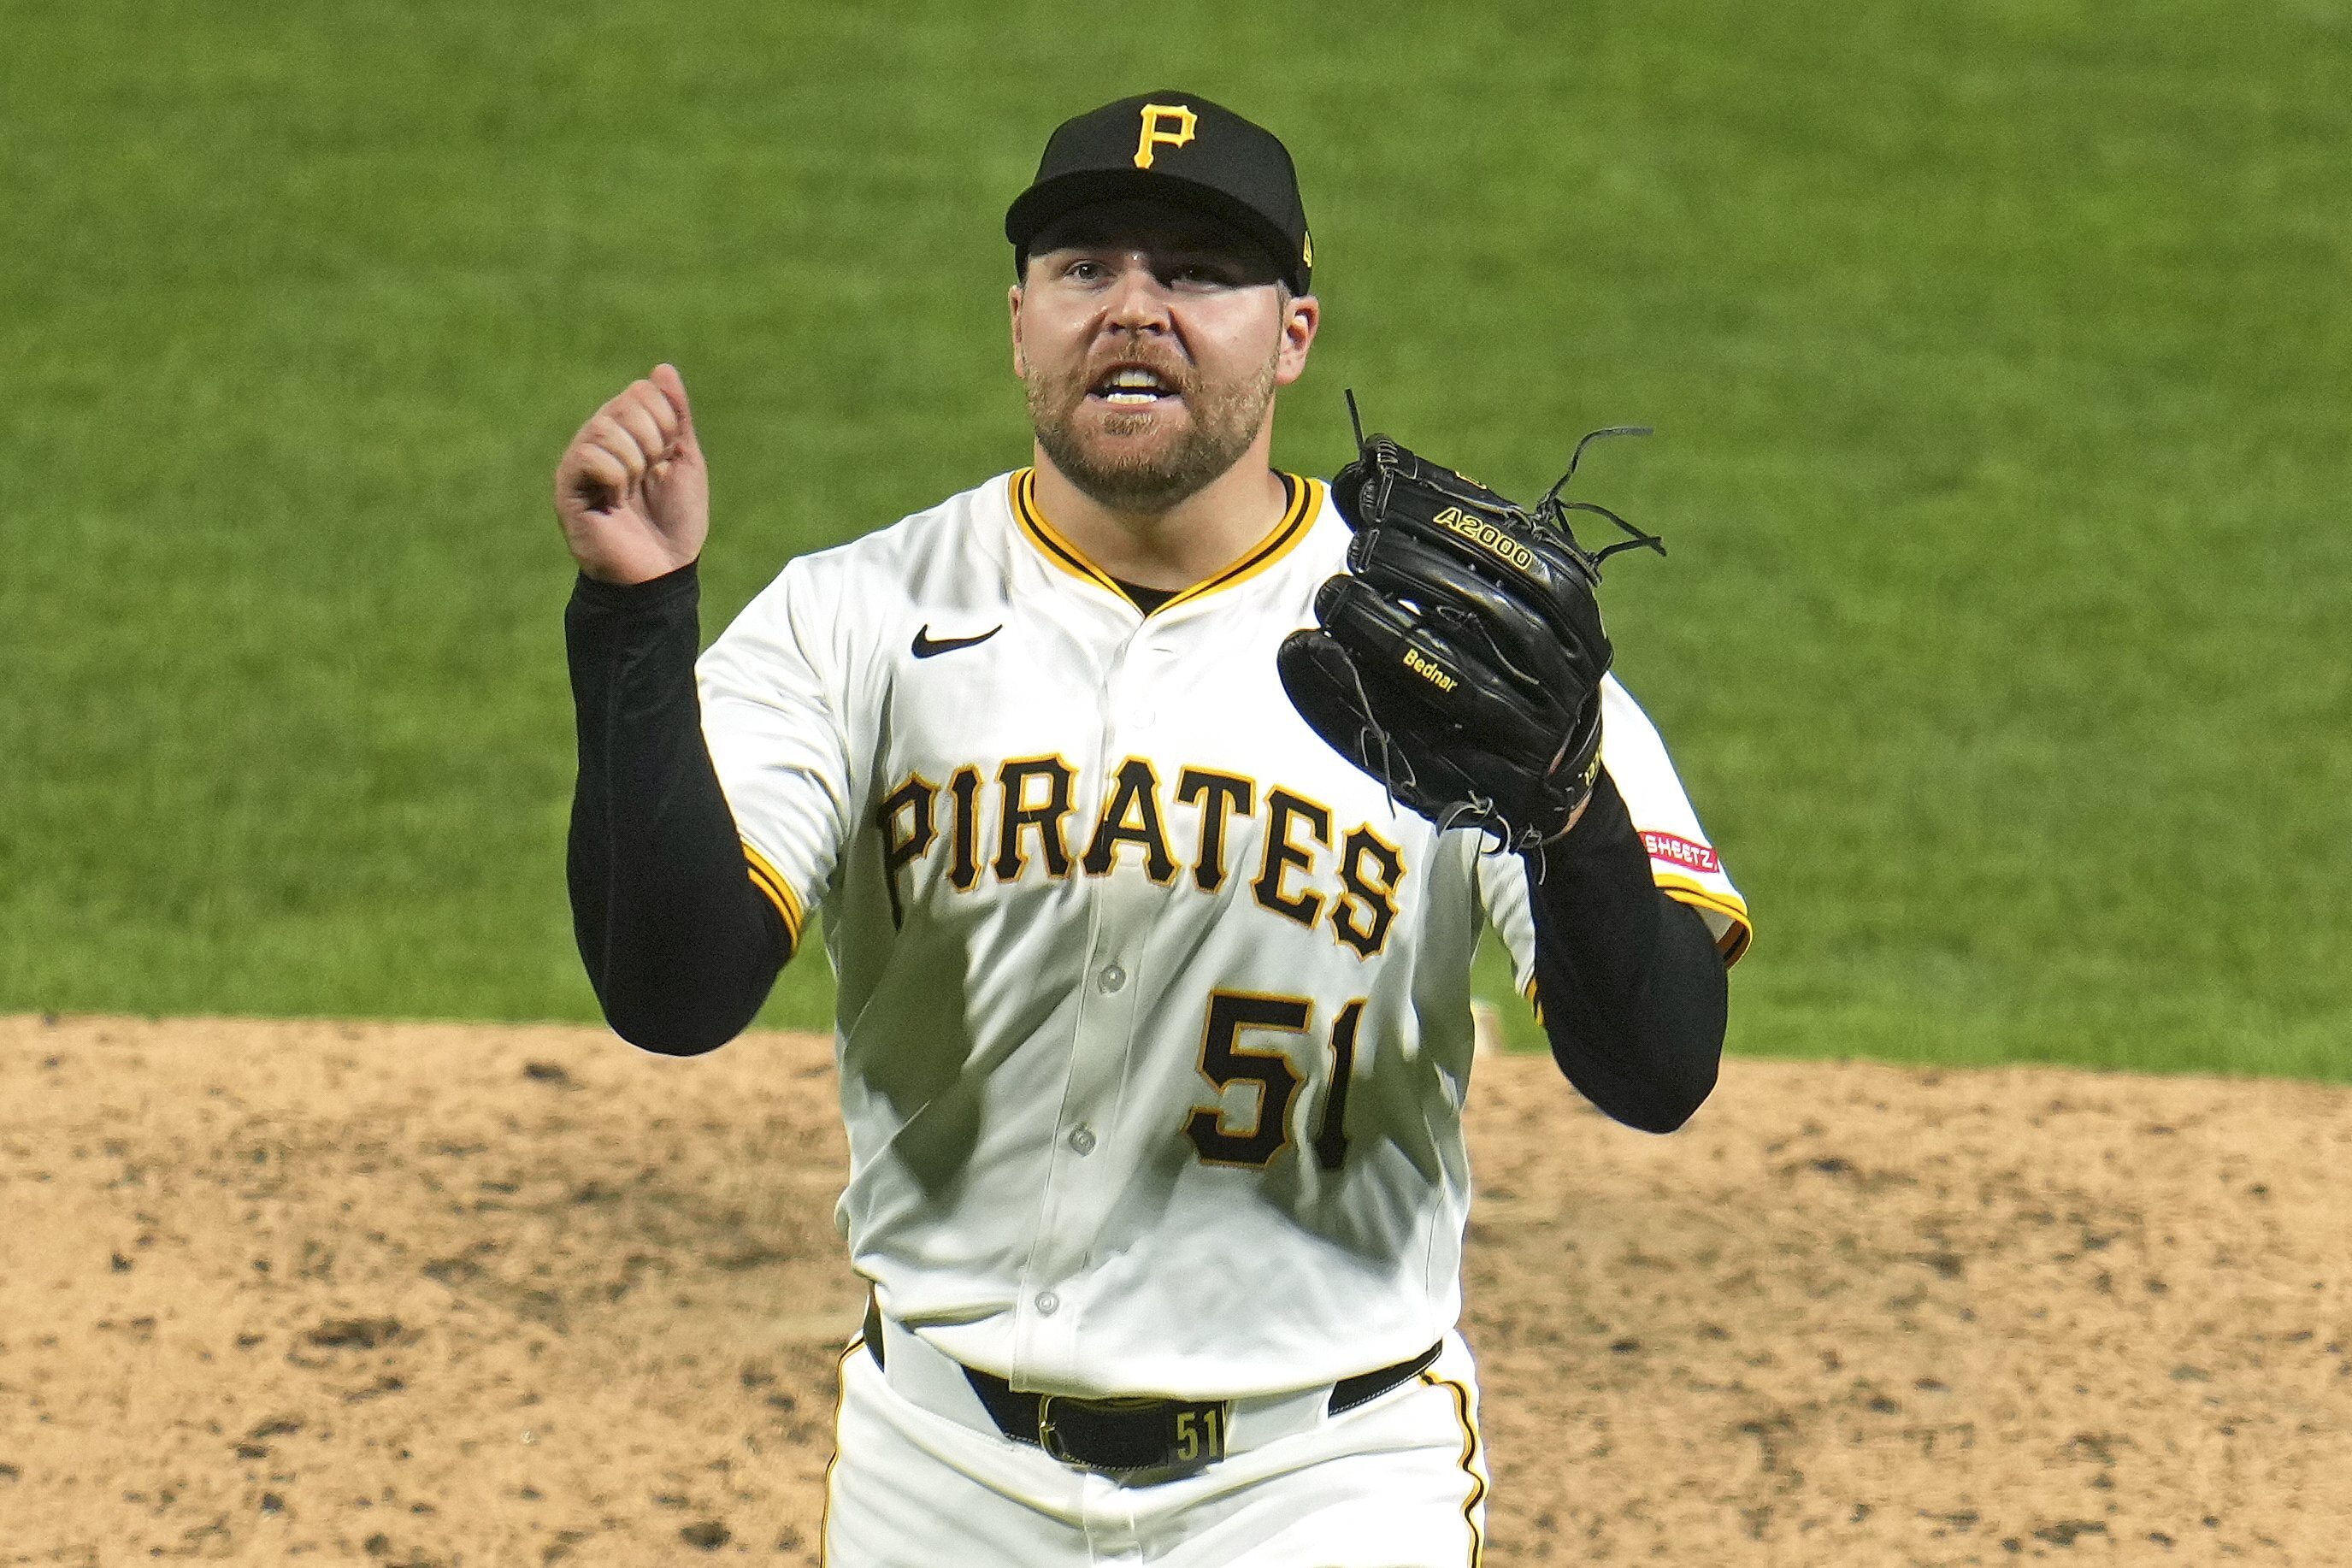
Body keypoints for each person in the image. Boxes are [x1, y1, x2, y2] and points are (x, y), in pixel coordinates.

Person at [553, 91, 1748, 1568]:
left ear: (1294, 331)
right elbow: (671, 994)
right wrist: (634, 618)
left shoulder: (1453, 650)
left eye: (1197, 273)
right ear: (1018, 321)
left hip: (1324, 1479)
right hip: (940, 1473)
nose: (1136, 310)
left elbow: (1660, 1063)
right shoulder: (855, 613)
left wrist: (1567, 803)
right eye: (1085, 269)